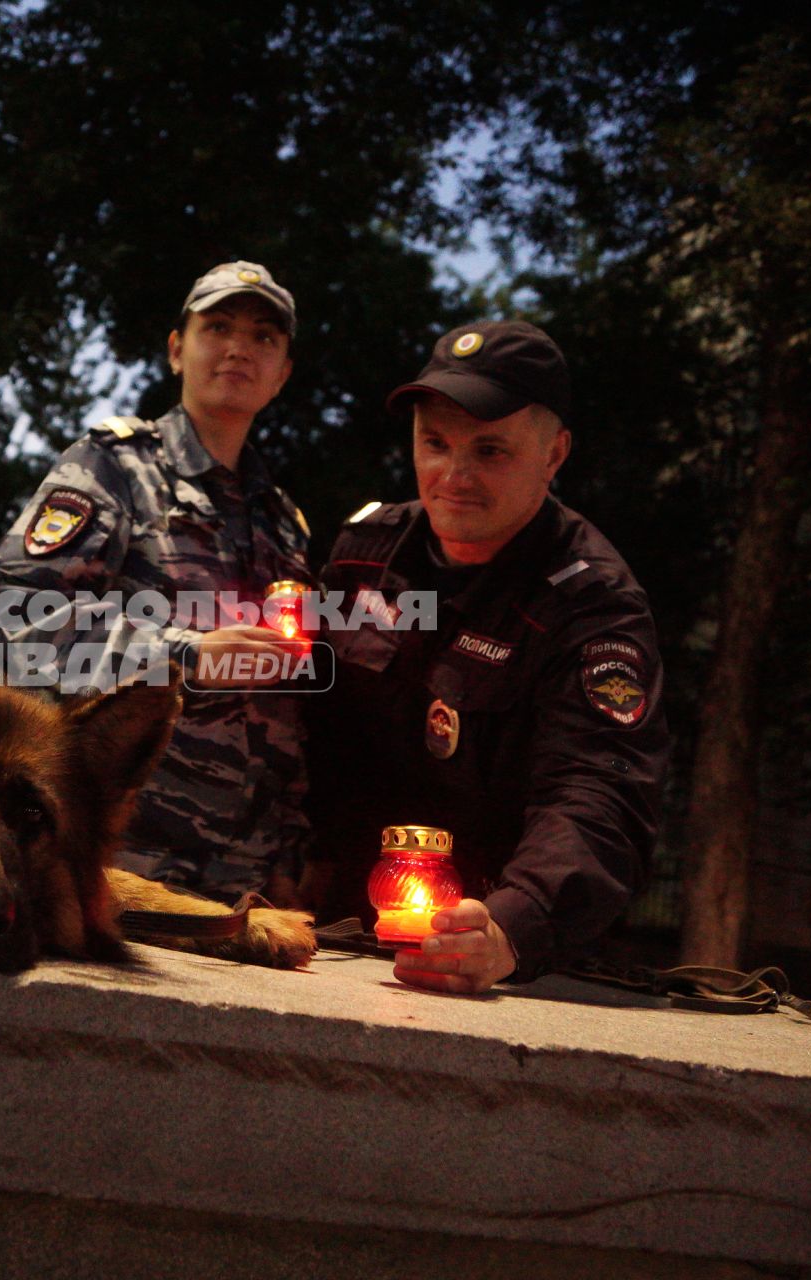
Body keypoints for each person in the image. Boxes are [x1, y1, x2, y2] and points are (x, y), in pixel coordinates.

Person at [306, 320, 670, 993]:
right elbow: (310, 730)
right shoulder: (362, 554)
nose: (454, 476)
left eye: (491, 450)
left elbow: (601, 791)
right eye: (434, 444)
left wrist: (513, 923)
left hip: (494, 960)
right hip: (331, 935)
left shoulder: (592, 602)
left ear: (555, 453)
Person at [0, 262, 313, 903]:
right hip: (112, 856)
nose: (239, 348)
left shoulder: (285, 523)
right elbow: (15, 620)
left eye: (264, 337)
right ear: (175, 349)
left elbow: (289, 707)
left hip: (244, 881)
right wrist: (184, 655)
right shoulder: (113, 467)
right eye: (217, 326)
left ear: (282, 375)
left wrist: (292, 851)